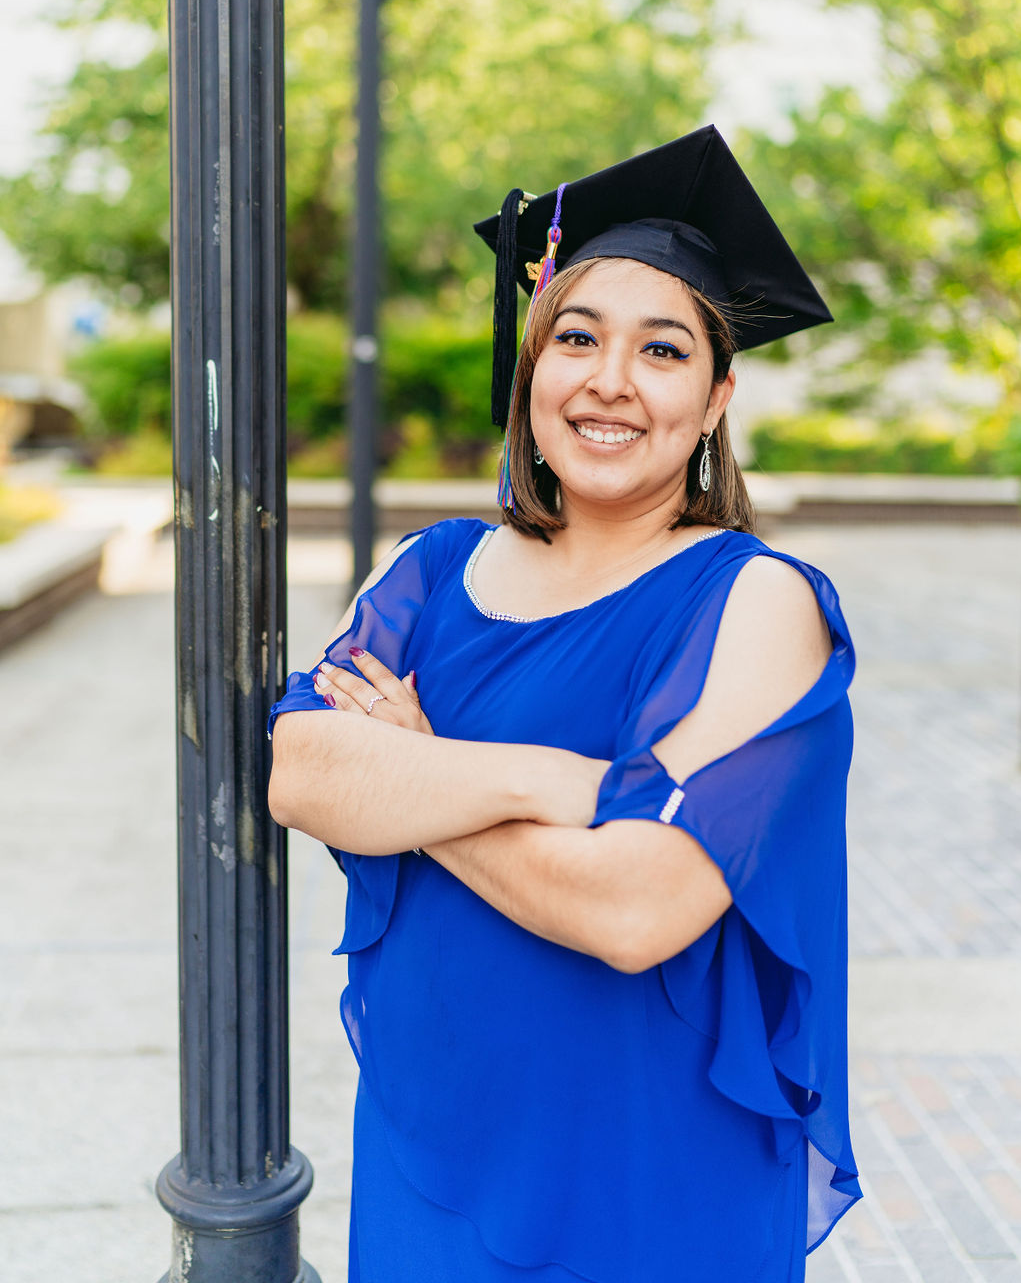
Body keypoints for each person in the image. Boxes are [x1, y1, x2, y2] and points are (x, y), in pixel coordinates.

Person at [268, 126, 861, 1282]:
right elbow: (304, 772)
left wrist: (424, 766)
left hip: (647, 1175)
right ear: (532, 367)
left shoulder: (755, 600)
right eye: (576, 338)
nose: (608, 381)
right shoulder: (432, 569)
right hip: (430, 1151)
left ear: (716, 393)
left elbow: (634, 911)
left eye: (662, 350)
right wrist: (566, 782)